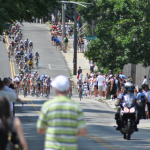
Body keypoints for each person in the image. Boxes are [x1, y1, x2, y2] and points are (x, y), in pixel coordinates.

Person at [37, 75, 86, 150]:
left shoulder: (47, 106)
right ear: (68, 89)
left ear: (56, 89)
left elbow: (40, 129)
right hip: (69, 147)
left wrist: (53, 130)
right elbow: (83, 131)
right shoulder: (76, 107)